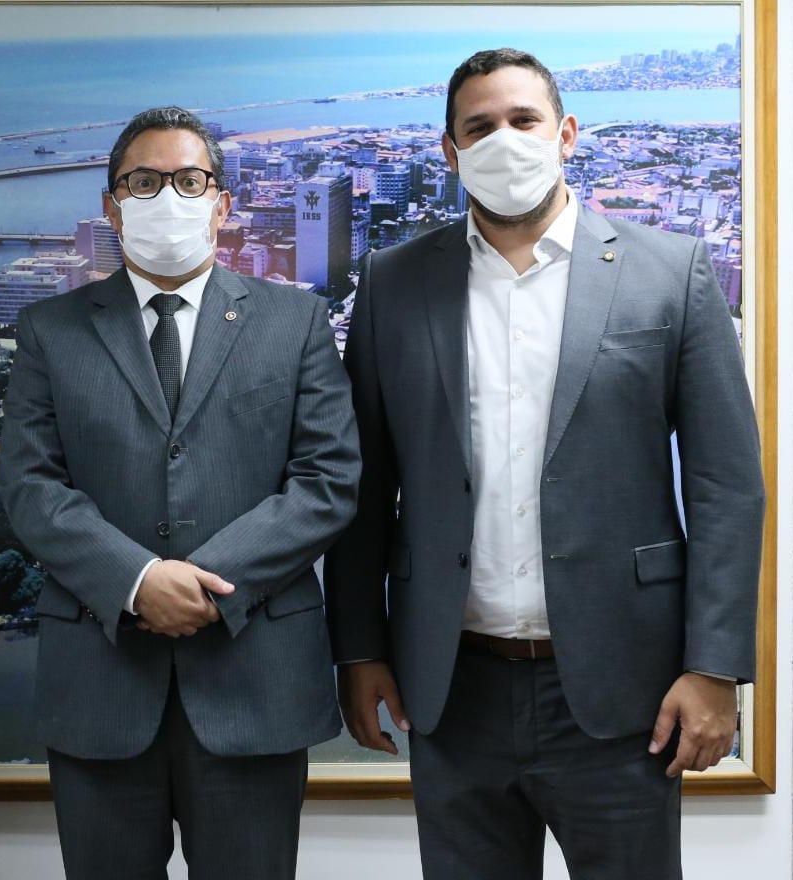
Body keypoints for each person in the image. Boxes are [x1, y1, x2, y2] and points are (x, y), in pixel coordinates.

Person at [324, 49, 764, 879]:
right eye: (479, 127)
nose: (505, 140)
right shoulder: (394, 283)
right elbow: (364, 485)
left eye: (524, 120)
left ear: (565, 133)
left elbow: (726, 487)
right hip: (451, 686)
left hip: (623, 685)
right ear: (450, 152)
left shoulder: (671, 273)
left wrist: (715, 667)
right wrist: (359, 650)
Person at [0, 106, 360, 880]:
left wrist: (205, 584)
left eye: (189, 181)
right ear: (112, 205)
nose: (168, 198)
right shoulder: (49, 330)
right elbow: (30, 485)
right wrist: (136, 581)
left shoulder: (296, 321)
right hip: (98, 682)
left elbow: (327, 481)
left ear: (222, 204)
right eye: (144, 182)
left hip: (255, 676)